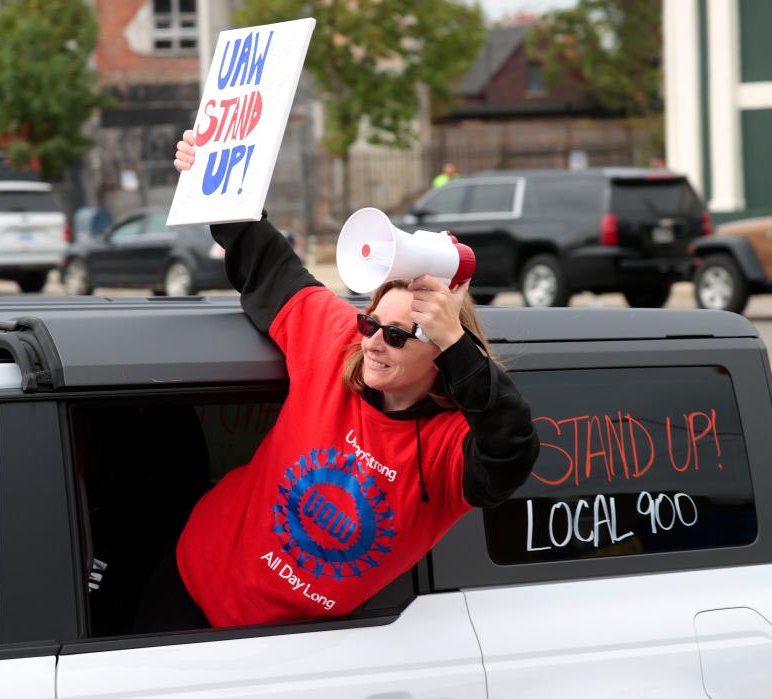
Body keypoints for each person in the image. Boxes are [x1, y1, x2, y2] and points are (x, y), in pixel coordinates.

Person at [136, 131, 539, 631]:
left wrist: (459, 346)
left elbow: (512, 449)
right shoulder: (338, 346)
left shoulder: (449, 448)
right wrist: (215, 180)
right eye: (370, 322)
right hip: (186, 583)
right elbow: (268, 266)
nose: (371, 342)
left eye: (396, 336)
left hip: (288, 646)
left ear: (443, 354)